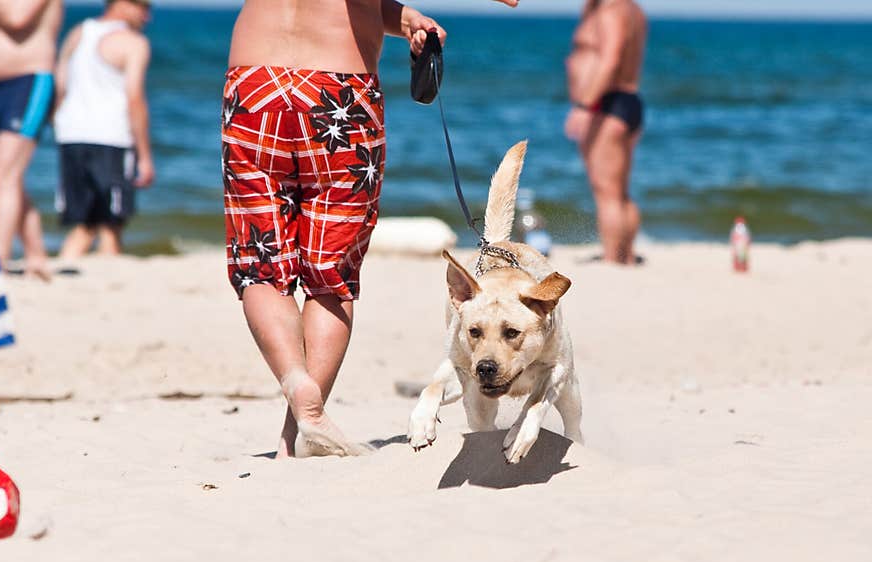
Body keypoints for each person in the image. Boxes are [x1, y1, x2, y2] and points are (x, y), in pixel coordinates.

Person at [223, 0, 517, 458]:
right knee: (330, 279)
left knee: (259, 268)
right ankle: (302, 426)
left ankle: (297, 395)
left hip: (253, 86)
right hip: (338, 92)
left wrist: (403, 20)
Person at [53, 0, 154, 258]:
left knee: (84, 225)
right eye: (144, 7)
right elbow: (135, 99)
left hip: (71, 133)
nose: (147, 17)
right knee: (111, 225)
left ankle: (66, 268)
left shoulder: (78, 33)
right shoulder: (133, 43)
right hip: (111, 137)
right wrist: (144, 155)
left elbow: (60, 85)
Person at [564, 0, 647, 265]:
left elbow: (610, 59)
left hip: (607, 104)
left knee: (607, 193)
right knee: (620, 192)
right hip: (627, 102)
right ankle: (627, 256)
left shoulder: (611, 10)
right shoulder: (633, 10)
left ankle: (613, 260)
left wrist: (585, 106)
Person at [0, 0, 62, 279]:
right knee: (5, 176)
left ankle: (0, 260)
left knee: (6, 176)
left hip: (28, 80)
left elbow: (17, 18)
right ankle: (36, 255)